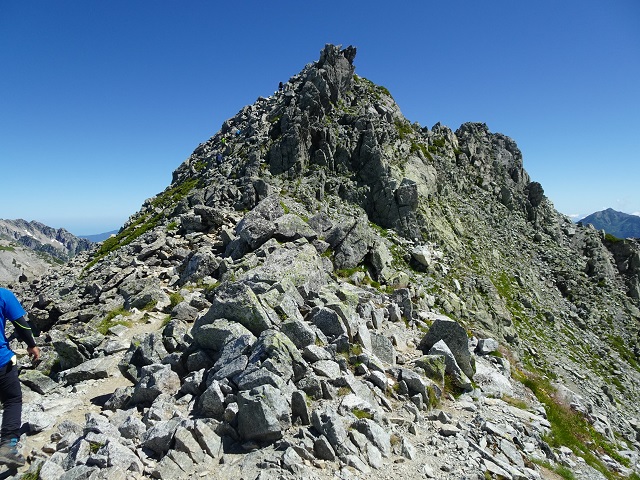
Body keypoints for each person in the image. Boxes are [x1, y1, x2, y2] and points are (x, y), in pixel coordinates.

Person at [0, 288, 40, 469]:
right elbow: (21, 325)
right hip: (1, 361)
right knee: (12, 400)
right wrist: (32, 345)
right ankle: (8, 446)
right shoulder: (3, 295)